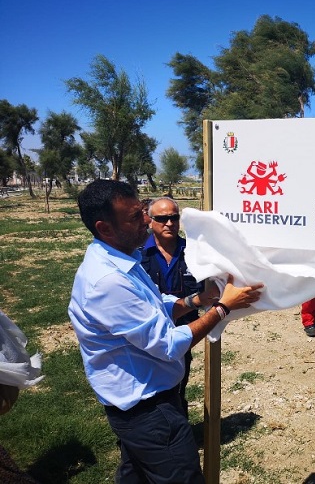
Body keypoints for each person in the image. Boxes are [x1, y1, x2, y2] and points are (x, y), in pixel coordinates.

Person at [68, 179, 263, 483]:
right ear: (104, 228)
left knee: (136, 476)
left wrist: (199, 299)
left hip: (139, 407)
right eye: (136, 217)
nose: (147, 221)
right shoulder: (108, 281)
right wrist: (223, 307)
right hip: (149, 411)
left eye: (142, 211)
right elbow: (169, 344)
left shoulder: (123, 261)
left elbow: (157, 307)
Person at [140, 196, 202, 418]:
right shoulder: (137, 255)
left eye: (174, 218)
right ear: (149, 220)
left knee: (178, 383)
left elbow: (206, 289)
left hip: (183, 332)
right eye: (162, 218)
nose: (169, 223)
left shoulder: (194, 253)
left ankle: (178, 425)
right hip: (148, 334)